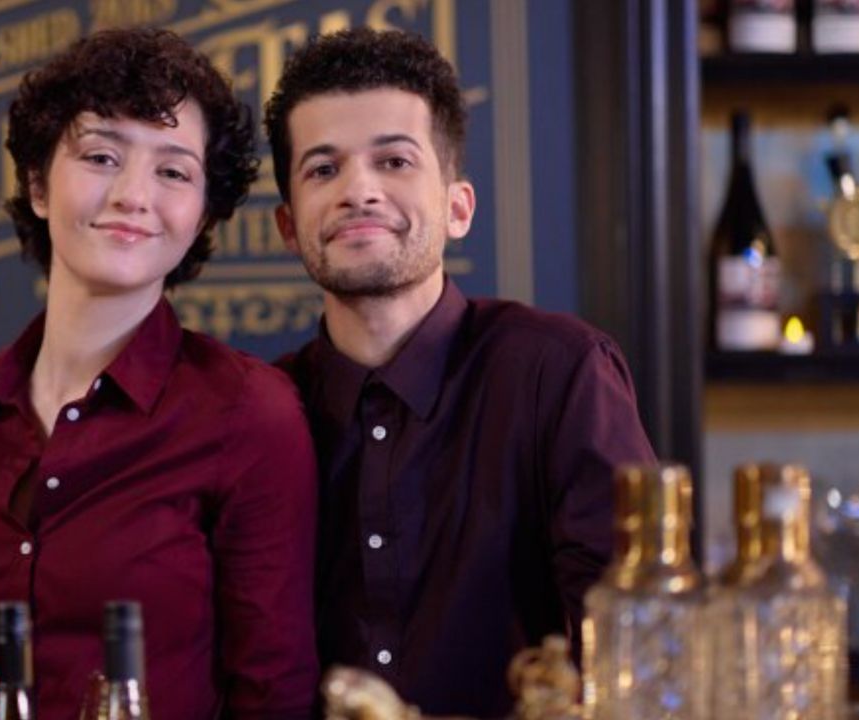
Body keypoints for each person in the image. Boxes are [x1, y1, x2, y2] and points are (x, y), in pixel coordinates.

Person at [0, 27, 318, 720]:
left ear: (202, 213)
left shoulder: (248, 414)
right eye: (101, 156)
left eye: (173, 171)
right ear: (37, 185)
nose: (132, 195)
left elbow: (273, 693)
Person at [263, 27, 656, 717]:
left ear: (458, 208)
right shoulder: (262, 411)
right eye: (323, 169)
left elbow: (639, 639)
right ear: (289, 227)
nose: (359, 191)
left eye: (394, 161)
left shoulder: (559, 374)